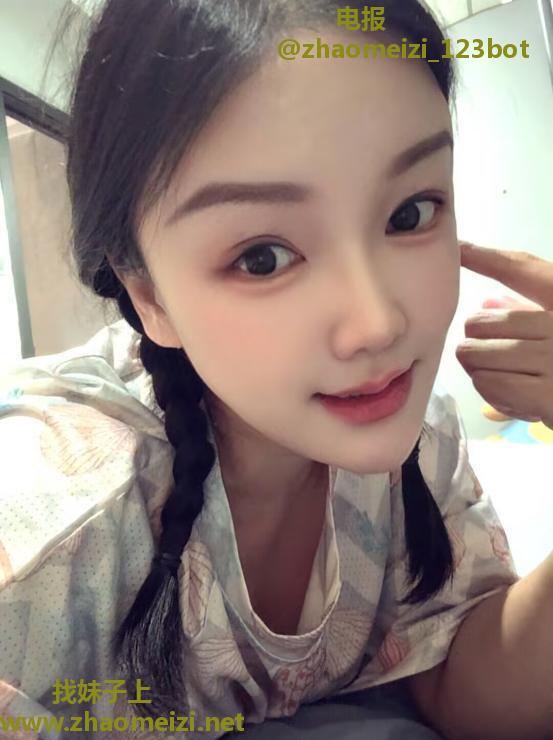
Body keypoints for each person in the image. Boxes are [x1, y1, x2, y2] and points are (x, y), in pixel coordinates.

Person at [0, 2, 551, 739]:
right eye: (262, 258)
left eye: (411, 213)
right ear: (148, 295)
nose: (378, 323)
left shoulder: (419, 442)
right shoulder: (50, 533)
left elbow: (465, 686)